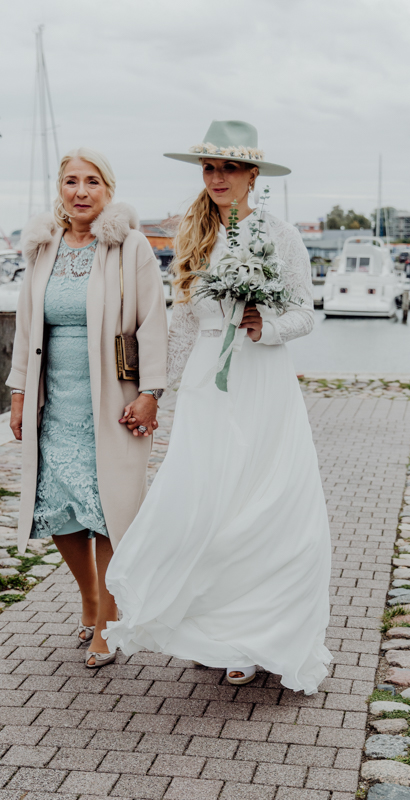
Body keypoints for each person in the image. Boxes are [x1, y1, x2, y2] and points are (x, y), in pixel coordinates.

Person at [104, 121, 332, 693]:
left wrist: (267, 325)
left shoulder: (281, 236)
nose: (217, 178)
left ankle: (257, 637)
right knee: (206, 505)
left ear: (253, 176)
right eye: (209, 168)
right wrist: (155, 392)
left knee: (264, 505)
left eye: (228, 168)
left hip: (262, 380)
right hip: (210, 386)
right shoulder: (193, 235)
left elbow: (306, 312)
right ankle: (213, 627)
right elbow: (182, 326)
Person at [7, 147, 167, 668]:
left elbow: (153, 323)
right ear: (60, 189)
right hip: (54, 401)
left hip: (114, 401)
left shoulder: (130, 245)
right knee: (58, 508)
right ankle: (90, 597)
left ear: (108, 189)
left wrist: (150, 393)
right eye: (71, 181)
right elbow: (27, 325)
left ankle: (109, 619)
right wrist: (18, 394)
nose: (81, 191)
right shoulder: (43, 247)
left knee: (109, 512)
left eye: (92, 182)